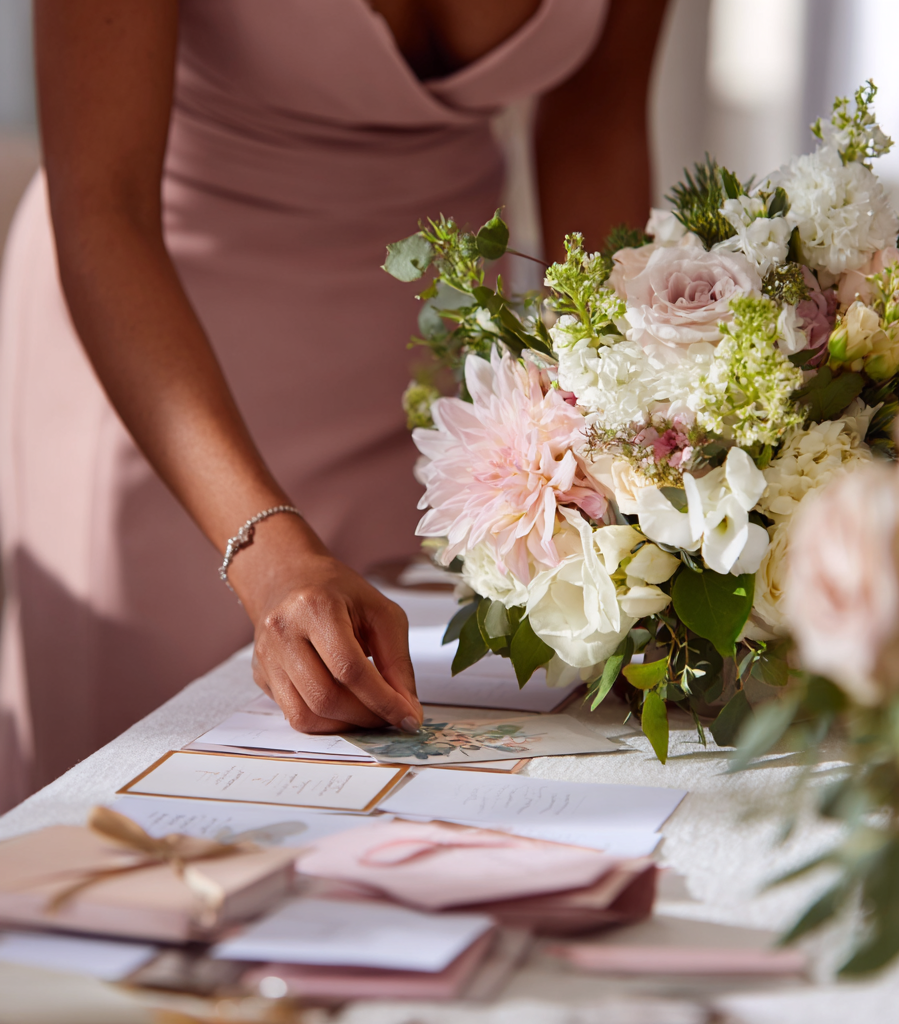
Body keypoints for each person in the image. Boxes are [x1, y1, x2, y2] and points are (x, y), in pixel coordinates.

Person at [0, 0, 668, 810]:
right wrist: (267, 553)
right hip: (168, 380)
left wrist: (612, 445)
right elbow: (104, 203)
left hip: (441, 391)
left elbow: (594, 127)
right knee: (151, 821)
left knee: (421, 791)